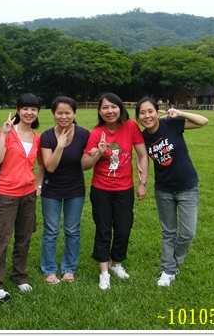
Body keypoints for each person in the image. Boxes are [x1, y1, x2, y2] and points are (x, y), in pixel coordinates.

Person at [135, 97, 208, 287]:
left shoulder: (171, 124)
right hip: (163, 190)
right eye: (142, 113)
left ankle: (173, 264)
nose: (147, 116)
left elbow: (203, 121)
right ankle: (168, 271)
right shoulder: (143, 137)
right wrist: (142, 183)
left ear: (157, 112)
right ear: (138, 117)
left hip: (187, 187)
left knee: (187, 233)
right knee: (168, 232)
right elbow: (141, 160)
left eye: (150, 111)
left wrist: (179, 113)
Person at [81, 92, 149, 290]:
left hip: (125, 189)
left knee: (123, 228)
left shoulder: (131, 127)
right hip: (101, 190)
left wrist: (143, 183)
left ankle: (116, 263)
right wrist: (98, 154)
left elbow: (142, 155)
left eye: (113, 106)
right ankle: (104, 272)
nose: (110, 111)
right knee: (103, 229)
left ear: (120, 108)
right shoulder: (96, 133)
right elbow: (84, 164)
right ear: (100, 111)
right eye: (105, 107)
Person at [0, 93, 45, 305]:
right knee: (1, 238)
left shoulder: (37, 138)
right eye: (25, 108)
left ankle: (19, 275)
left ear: (38, 112)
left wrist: (38, 185)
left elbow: (42, 165)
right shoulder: (7, 132)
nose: (29, 112)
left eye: (33, 109)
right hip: (6, 194)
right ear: (18, 110)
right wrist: (5, 134)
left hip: (28, 195)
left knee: (24, 237)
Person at [39, 96, 90, 284]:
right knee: (51, 230)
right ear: (53, 114)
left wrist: (95, 154)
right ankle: (49, 269)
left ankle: (69, 268)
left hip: (75, 189)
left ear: (74, 114)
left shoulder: (84, 134)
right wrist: (60, 145)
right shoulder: (47, 136)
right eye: (59, 113)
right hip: (51, 189)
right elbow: (50, 167)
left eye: (68, 113)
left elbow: (86, 163)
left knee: (72, 230)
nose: (64, 116)